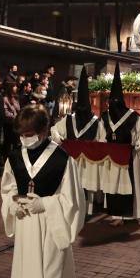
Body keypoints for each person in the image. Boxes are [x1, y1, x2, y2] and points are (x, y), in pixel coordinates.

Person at [0, 104, 84, 278]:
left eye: (30, 134)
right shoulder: (15, 157)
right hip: (26, 226)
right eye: (22, 135)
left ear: (45, 130)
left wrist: (44, 203)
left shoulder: (62, 159)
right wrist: (14, 204)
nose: (26, 139)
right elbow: (7, 188)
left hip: (51, 226)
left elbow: (73, 201)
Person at [96, 63, 140, 225]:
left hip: (129, 158)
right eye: (111, 101)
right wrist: (103, 145)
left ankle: (126, 214)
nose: (112, 105)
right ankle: (116, 215)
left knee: (127, 185)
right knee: (113, 186)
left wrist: (139, 146)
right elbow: (100, 135)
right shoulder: (105, 117)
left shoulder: (132, 117)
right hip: (112, 159)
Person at [51, 67, 101, 216]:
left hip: (88, 162)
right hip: (70, 160)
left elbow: (101, 139)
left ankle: (87, 209)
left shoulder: (96, 123)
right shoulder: (68, 120)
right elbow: (54, 130)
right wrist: (60, 140)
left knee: (86, 184)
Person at [2, 82, 21, 157]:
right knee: (8, 141)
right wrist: (14, 115)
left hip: (15, 122)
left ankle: (15, 157)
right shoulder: (5, 98)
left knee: (16, 141)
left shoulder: (15, 97)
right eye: (14, 86)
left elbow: (18, 108)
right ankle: (6, 158)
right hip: (9, 123)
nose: (16, 87)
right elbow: (5, 112)